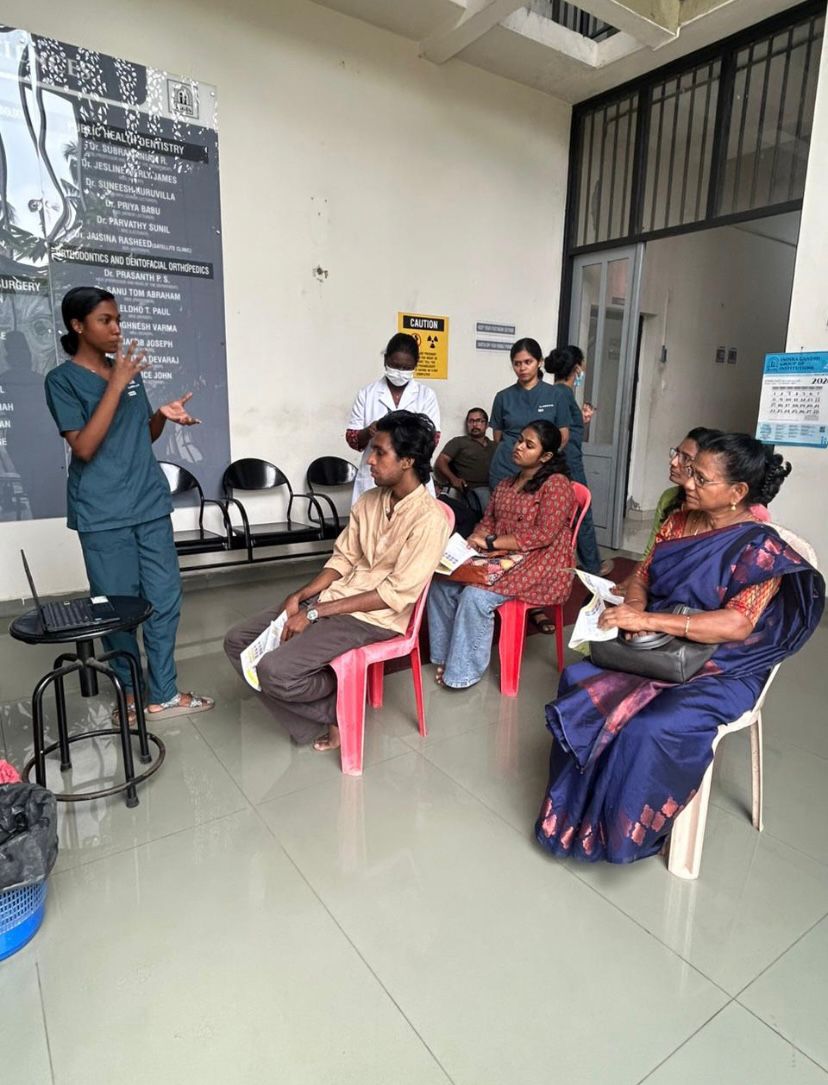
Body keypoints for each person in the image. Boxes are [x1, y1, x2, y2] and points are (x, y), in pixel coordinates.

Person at [535, 432, 824, 865]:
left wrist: (649, 621)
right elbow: (644, 575)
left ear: (737, 492)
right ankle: (572, 815)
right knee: (579, 680)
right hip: (661, 647)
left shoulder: (759, 548)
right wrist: (634, 608)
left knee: (650, 727)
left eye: (701, 478)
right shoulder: (678, 522)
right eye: (690, 471)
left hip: (722, 664)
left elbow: (737, 624)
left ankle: (619, 832)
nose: (687, 482)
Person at [225, 411, 451, 752]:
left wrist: (315, 613)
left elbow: (394, 593)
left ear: (407, 461)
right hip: (336, 597)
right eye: (371, 451)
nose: (370, 460)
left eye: (380, 453)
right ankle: (330, 710)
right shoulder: (370, 501)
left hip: (374, 617)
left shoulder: (430, 519)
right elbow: (343, 558)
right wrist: (302, 595)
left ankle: (337, 708)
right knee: (237, 642)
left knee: (273, 671)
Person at [44, 286, 214, 719]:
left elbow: (140, 435)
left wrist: (160, 416)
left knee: (165, 600)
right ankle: (131, 694)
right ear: (78, 326)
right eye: (106, 320)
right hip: (103, 512)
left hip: (149, 503)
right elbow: (84, 446)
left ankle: (163, 692)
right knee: (117, 607)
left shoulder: (126, 373)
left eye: (118, 320)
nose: (117, 329)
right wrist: (116, 384)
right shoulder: (62, 381)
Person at [428, 420, 575, 689]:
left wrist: (491, 542)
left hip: (540, 562)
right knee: (441, 582)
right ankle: (446, 655)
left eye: (529, 445)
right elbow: (488, 520)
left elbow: (543, 535)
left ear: (545, 456)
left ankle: (463, 672)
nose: (518, 447)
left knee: (476, 596)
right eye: (519, 440)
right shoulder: (507, 483)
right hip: (501, 554)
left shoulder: (556, 485)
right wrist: (475, 539)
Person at [346, 332, 440, 503]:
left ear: (415, 365)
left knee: (414, 517)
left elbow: (432, 439)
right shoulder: (367, 394)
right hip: (373, 477)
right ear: (385, 360)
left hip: (411, 478)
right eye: (395, 366)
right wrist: (368, 432)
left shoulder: (426, 395)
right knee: (370, 516)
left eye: (406, 368)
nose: (400, 372)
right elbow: (353, 439)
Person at [544, 345, 608, 576]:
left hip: (565, 460)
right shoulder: (562, 394)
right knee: (582, 510)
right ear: (576, 368)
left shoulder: (559, 393)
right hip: (568, 462)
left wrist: (580, 418)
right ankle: (592, 565)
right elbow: (560, 434)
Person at [488, 338, 559, 489]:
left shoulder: (555, 395)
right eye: (517, 363)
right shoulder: (503, 397)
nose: (522, 368)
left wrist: (539, 460)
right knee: (502, 503)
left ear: (539, 362)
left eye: (528, 362)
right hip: (505, 467)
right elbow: (497, 437)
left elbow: (562, 436)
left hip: (541, 470)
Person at [434, 407, 494, 498]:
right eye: (471, 421)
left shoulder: (495, 446)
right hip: (471, 490)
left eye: (478, 421)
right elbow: (441, 461)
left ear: (487, 425)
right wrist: (454, 479)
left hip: (495, 488)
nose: (474, 425)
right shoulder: (459, 442)